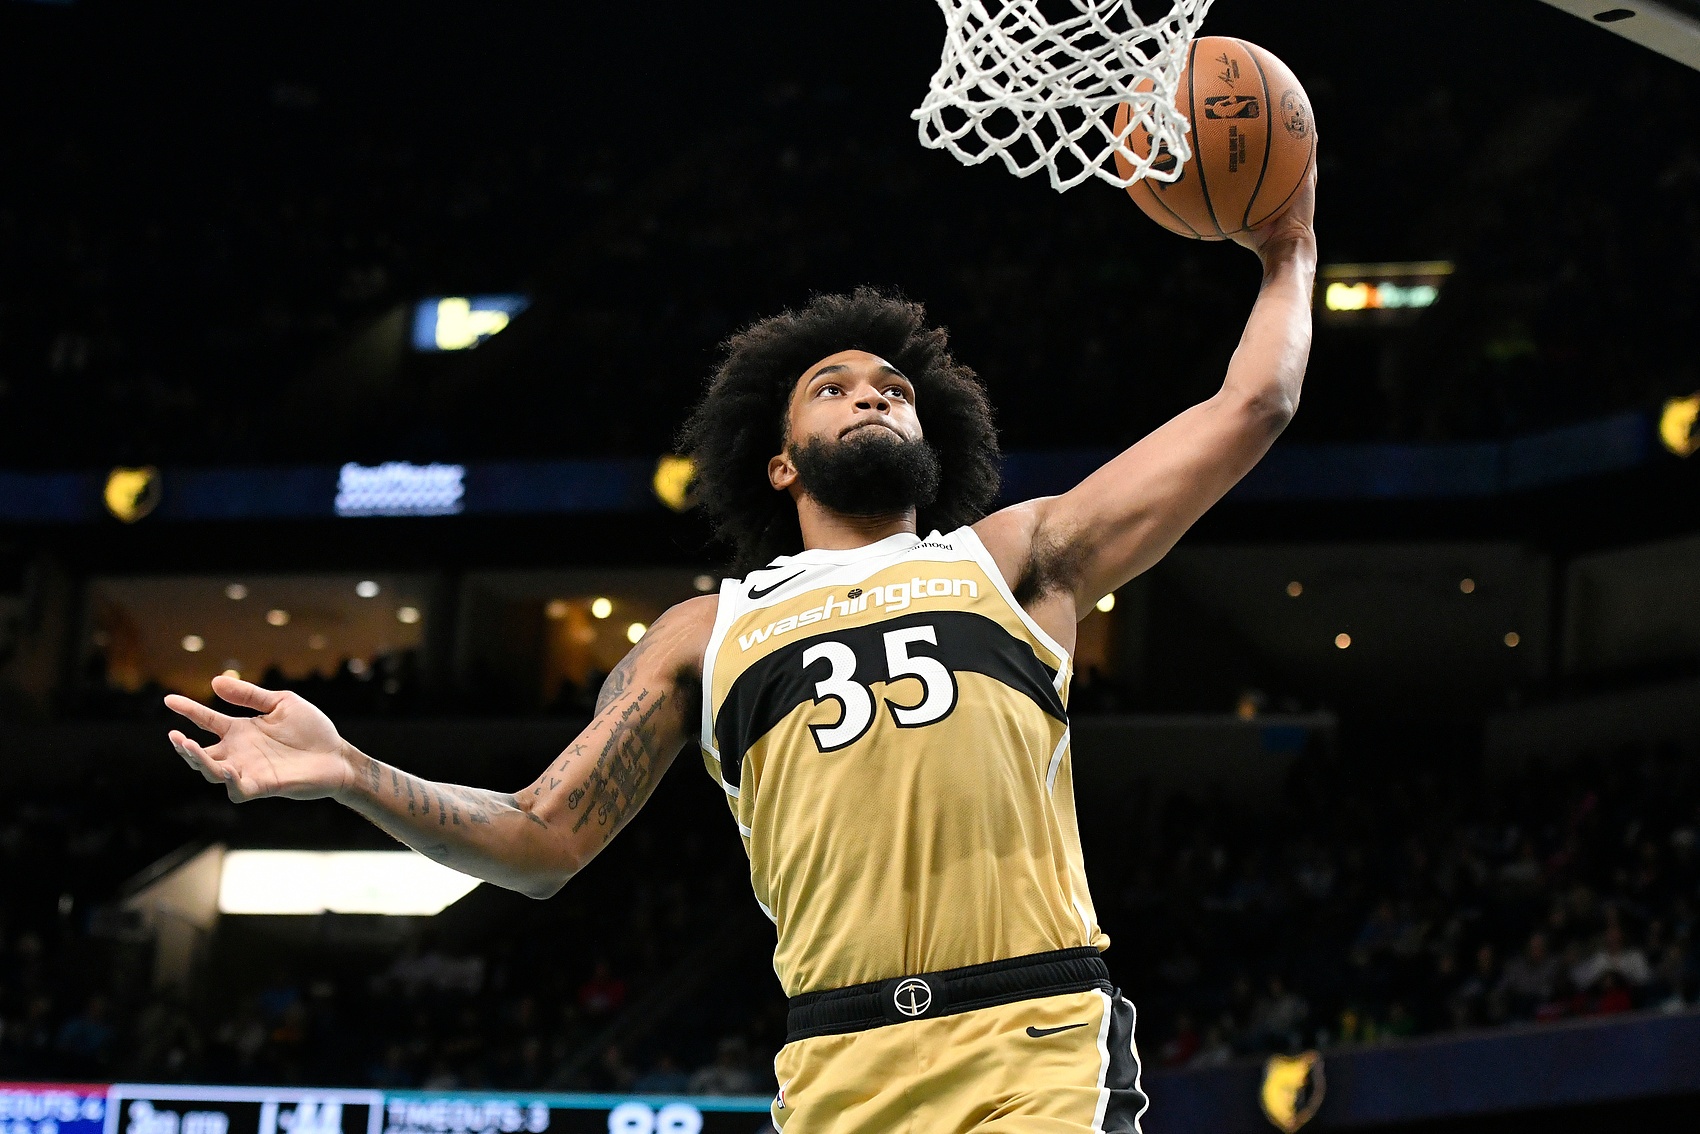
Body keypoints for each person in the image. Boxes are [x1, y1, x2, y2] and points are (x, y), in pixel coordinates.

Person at [165, 165, 1317, 1133]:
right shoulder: (704, 633)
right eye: (832, 388)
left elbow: (1249, 406)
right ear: (779, 461)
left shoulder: (1014, 557)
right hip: (835, 1067)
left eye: (894, 390)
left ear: (930, 438)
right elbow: (539, 837)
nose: (871, 396)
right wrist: (352, 770)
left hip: (1030, 1037)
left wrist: (1287, 249)